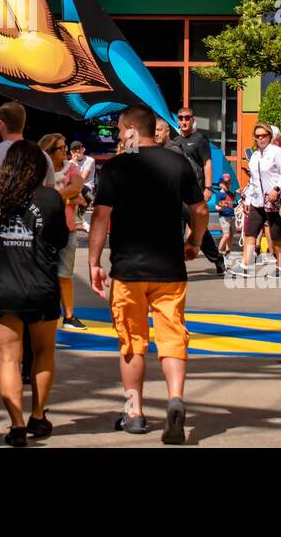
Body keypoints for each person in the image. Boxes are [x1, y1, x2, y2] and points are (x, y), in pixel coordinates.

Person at [89, 105, 203, 445]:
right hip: (170, 268)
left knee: (131, 344)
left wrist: (94, 261)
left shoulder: (117, 167)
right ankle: (175, 399)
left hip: (128, 270)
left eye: (122, 130)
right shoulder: (177, 162)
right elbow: (198, 209)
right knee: (172, 339)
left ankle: (135, 413)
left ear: (130, 130)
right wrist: (194, 241)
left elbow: (99, 217)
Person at [0, 140, 68, 446]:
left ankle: (16, 424)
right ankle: (38, 415)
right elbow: (59, 239)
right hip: (41, 286)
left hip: (2, 287)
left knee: (9, 359)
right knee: (44, 351)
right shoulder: (50, 198)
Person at [0, 101, 55, 377]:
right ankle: (30, 360)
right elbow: (50, 196)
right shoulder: (42, 157)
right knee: (35, 300)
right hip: (35, 240)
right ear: (23, 123)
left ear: (0, 123)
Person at [38, 133, 87, 331]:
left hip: (67, 228)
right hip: (44, 228)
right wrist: (67, 199)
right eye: (60, 148)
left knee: (65, 274)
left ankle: (68, 315)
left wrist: (54, 198)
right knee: (43, 274)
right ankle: (45, 311)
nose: (65, 151)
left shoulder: (72, 167)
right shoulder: (40, 170)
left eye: (65, 146)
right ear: (49, 152)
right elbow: (38, 195)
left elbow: (76, 187)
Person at [167, 106, 225, 273]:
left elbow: (207, 164)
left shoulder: (199, 139)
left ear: (192, 120)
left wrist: (208, 188)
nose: (184, 121)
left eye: (187, 118)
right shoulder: (175, 141)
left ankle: (217, 259)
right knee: (176, 228)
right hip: (177, 193)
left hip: (194, 193)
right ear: (178, 121)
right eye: (181, 118)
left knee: (198, 226)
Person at [230, 122, 281, 278]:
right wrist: (248, 199)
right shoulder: (255, 155)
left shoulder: (277, 152)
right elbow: (253, 180)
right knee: (250, 233)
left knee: (277, 236)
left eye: (264, 135)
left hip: (272, 200)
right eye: (257, 136)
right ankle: (245, 266)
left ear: (270, 136)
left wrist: (277, 189)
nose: (261, 138)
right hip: (257, 201)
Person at [70, 140, 96, 232]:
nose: (77, 151)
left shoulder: (90, 160)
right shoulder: (69, 163)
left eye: (79, 148)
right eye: (74, 149)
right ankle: (82, 221)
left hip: (87, 189)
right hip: (75, 189)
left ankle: (81, 221)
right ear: (71, 152)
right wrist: (73, 163)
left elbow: (82, 179)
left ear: (83, 149)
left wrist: (73, 165)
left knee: (77, 189)